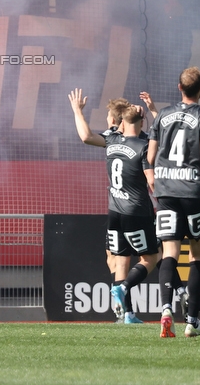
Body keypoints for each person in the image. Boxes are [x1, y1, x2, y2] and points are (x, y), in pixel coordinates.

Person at [146, 67, 200, 338]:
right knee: (197, 254)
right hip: (195, 192)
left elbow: (150, 157)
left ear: (179, 87)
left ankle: (166, 309)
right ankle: (192, 321)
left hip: (166, 191)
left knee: (169, 252)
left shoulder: (164, 115)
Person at [69, 88, 160, 324]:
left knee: (120, 260)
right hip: (136, 210)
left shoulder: (111, 139)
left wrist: (77, 111)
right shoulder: (144, 142)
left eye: (110, 116)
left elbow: (86, 136)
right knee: (152, 257)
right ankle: (125, 297)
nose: (107, 119)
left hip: (114, 211)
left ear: (117, 122)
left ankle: (126, 314)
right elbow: (159, 146)